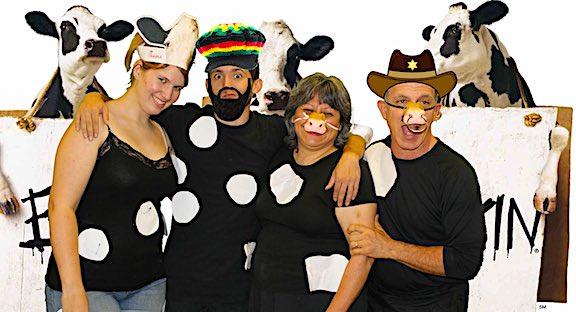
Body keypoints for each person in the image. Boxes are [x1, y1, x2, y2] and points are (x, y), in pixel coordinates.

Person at [76, 23, 370, 311]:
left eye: (238, 75)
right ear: (207, 85)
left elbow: (348, 128)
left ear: (255, 85)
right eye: (218, 76)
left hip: (241, 289)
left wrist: (352, 153)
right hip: (181, 283)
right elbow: (129, 109)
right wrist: (92, 98)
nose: (227, 84)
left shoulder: (273, 132)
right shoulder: (179, 122)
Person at [44, 14, 198, 312]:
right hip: (90, 285)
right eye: (162, 79)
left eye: (177, 87)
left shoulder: (164, 133)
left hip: (149, 284)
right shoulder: (96, 121)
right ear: (138, 69)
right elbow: (60, 208)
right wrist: (73, 290)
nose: (168, 95)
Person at [347, 49, 486, 312]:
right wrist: (350, 155)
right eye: (401, 102)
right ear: (383, 110)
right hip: (375, 303)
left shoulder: (455, 173)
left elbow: (465, 262)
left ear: (436, 111)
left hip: (436, 305)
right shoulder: (369, 159)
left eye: (423, 103)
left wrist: (388, 248)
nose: (413, 113)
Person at [249, 73, 377, 312]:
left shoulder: (349, 174)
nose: (315, 121)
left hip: (320, 302)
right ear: (293, 115)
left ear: (341, 123)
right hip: (268, 296)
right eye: (307, 110)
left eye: (328, 114)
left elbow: (364, 255)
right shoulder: (279, 155)